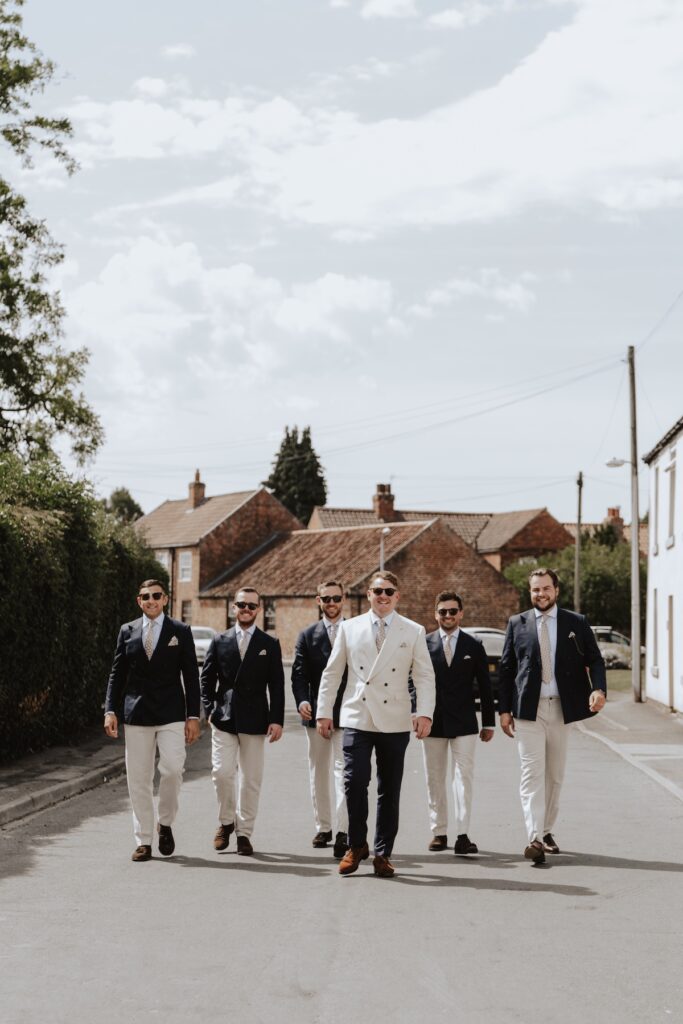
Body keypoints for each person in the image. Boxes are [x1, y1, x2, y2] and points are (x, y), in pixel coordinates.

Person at [316, 571, 435, 879]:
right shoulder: (349, 628)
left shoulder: (413, 630)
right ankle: (356, 846)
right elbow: (332, 674)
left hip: (395, 717)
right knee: (354, 783)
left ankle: (383, 853)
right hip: (357, 713)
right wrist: (323, 712)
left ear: (398, 596)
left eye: (389, 591)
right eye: (377, 590)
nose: (383, 596)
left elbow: (424, 676)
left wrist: (425, 713)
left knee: (389, 789)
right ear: (367, 594)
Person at [498, 567, 606, 864]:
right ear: (529, 591)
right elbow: (507, 669)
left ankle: (546, 830)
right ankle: (533, 836)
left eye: (546, 588)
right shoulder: (516, 623)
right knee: (531, 773)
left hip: (561, 708)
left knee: (555, 775)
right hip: (527, 711)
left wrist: (599, 690)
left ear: (556, 590)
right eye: (535, 589)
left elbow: (595, 659)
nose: (541, 594)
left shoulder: (576, 623)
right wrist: (504, 710)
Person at [104, 579, 200, 862]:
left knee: (172, 769)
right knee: (139, 778)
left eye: (156, 595)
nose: (151, 600)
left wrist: (193, 716)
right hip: (137, 714)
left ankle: (165, 823)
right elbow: (117, 674)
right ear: (139, 601)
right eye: (146, 596)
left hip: (171, 713)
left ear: (165, 599)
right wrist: (110, 710)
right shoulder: (127, 631)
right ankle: (144, 838)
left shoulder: (180, 631)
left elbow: (191, 677)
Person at [200, 587, 284, 856]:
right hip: (224, 716)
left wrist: (277, 719)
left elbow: (277, 685)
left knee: (251, 779)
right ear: (232, 608)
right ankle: (226, 822)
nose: (246, 609)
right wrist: (209, 708)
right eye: (241, 605)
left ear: (259, 609)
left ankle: (244, 833)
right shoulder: (219, 640)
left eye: (251, 605)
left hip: (256, 718)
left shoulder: (269, 644)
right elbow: (206, 679)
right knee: (221, 773)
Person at [422, 591, 495, 856]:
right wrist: (418, 714)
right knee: (435, 778)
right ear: (436, 614)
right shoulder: (425, 643)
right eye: (443, 611)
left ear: (461, 614)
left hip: (465, 722)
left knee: (463, 778)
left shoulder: (474, 645)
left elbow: (486, 688)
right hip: (433, 722)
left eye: (453, 611)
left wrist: (489, 723)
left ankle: (463, 834)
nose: (448, 616)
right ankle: (439, 832)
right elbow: (414, 681)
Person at [291, 580, 349, 859]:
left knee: (344, 772)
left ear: (344, 599)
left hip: (348, 713)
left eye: (336, 598)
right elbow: (299, 674)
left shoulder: (355, 630)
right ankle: (323, 827)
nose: (331, 603)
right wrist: (303, 701)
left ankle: (343, 829)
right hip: (315, 714)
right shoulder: (307, 635)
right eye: (326, 598)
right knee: (319, 772)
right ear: (318, 600)